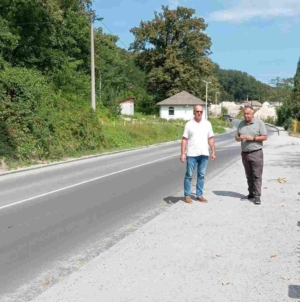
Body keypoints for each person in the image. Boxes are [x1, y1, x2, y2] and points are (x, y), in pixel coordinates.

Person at [180, 105, 216, 204]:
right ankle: (187, 195)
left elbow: (211, 139)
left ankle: (199, 195)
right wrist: (183, 153)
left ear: (202, 112)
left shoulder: (207, 124)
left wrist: (213, 151)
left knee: (201, 175)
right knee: (189, 175)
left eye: (200, 111)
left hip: (204, 153)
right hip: (192, 154)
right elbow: (184, 139)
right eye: (197, 111)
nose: (199, 113)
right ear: (194, 112)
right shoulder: (189, 124)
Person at [235, 105, 268, 205]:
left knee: (256, 175)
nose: (246, 115)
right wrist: (239, 138)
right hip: (245, 154)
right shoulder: (241, 123)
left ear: (252, 114)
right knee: (248, 175)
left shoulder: (259, 123)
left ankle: (257, 196)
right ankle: (251, 193)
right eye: (244, 113)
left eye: (248, 114)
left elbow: (265, 137)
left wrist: (252, 138)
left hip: (256, 153)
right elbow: (236, 136)